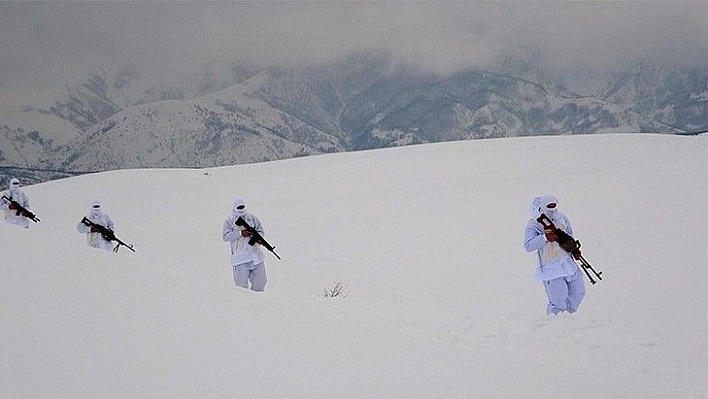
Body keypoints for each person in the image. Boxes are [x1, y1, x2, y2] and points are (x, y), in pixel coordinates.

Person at [524, 194, 586, 315]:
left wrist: (574, 250)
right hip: (551, 268)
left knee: (579, 292)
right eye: (549, 206)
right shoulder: (534, 224)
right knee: (558, 301)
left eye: (553, 206)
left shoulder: (561, 218)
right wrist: (545, 237)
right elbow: (528, 245)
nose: (552, 209)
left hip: (568, 265)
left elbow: (570, 235)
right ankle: (555, 323)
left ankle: (568, 319)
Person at [222, 197, 268, 291]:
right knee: (241, 287)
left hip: (255, 256)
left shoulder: (251, 218)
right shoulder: (230, 221)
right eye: (239, 207)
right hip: (240, 258)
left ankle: (257, 300)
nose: (241, 209)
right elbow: (226, 236)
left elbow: (260, 231)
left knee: (261, 281)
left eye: (242, 206)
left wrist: (258, 239)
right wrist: (240, 233)